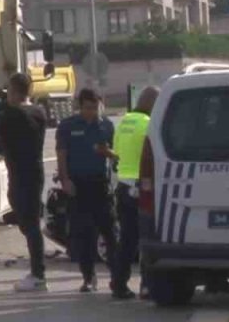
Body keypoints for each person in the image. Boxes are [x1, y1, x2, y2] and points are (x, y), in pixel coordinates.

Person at [57, 88, 134, 300]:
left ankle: (116, 277)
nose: (92, 112)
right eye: (88, 108)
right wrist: (65, 180)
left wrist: (107, 153)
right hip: (77, 185)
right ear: (80, 106)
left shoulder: (106, 126)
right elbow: (62, 155)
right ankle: (88, 277)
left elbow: (116, 155)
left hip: (100, 185)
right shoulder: (68, 126)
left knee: (110, 232)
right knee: (84, 234)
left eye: (95, 107)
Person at [0, 72, 49, 293]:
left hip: (22, 175)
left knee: (31, 226)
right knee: (30, 223)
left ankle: (38, 275)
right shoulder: (39, 112)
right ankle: (37, 272)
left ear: (14, 91)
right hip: (34, 171)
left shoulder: (12, 116)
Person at [113, 86, 159, 299]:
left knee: (127, 240)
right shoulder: (149, 124)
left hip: (123, 185)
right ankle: (147, 285)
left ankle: (119, 283)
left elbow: (117, 152)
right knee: (147, 238)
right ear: (151, 104)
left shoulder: (124, 121)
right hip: (142, 188)